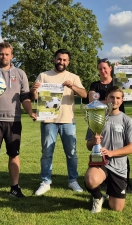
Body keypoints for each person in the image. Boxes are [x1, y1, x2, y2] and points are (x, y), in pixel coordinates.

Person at [0, 42, 37, 203]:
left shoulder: (20, 73)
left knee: (14, 155)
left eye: (7, 54)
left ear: (12, 56)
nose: (4, 56)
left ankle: (15, 188)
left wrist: (30, 112)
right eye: (1, 53)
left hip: (14, 120)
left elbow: (25, 97)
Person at [30, 49, 87, 196]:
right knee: (47, 153)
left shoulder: (73, 77)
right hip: (49, 121)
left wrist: (72, 86)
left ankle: (73, 181)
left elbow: (84, 94)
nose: (61, 62)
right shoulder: (43, 75)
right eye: (59, 59)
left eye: (64, 60)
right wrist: (34, 89)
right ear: (54, 59)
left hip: (68, 120)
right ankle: (45, 181)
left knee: (72, 154)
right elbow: (35, 97)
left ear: (68, 62)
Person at [84, 86, 132, 213]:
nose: (115, 100)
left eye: (118, 98)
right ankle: (98, 197)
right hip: (101, 162)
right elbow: (88, 146)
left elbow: (131, 147)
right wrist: (94, 141)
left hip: (119, 167)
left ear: (122, 100)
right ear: (106, 99)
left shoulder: (127, 120)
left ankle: (111, 192)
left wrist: (111, 153)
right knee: (91, 179)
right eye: (112, 97)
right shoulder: (96, 117)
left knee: (116, 208)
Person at [88, 58, 132, 193]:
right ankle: (101, 181)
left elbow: (130, 89)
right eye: (100, 68)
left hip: (119, 118)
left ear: (110, 69)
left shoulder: (117, 81)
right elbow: (91, 101)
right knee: (101, 149)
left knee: (122, 151)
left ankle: (126, 183)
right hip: (101, 120)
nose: (103, 70)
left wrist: (121, 72)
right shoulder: (95, 85)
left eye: (105, 68)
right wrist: (110, 100)